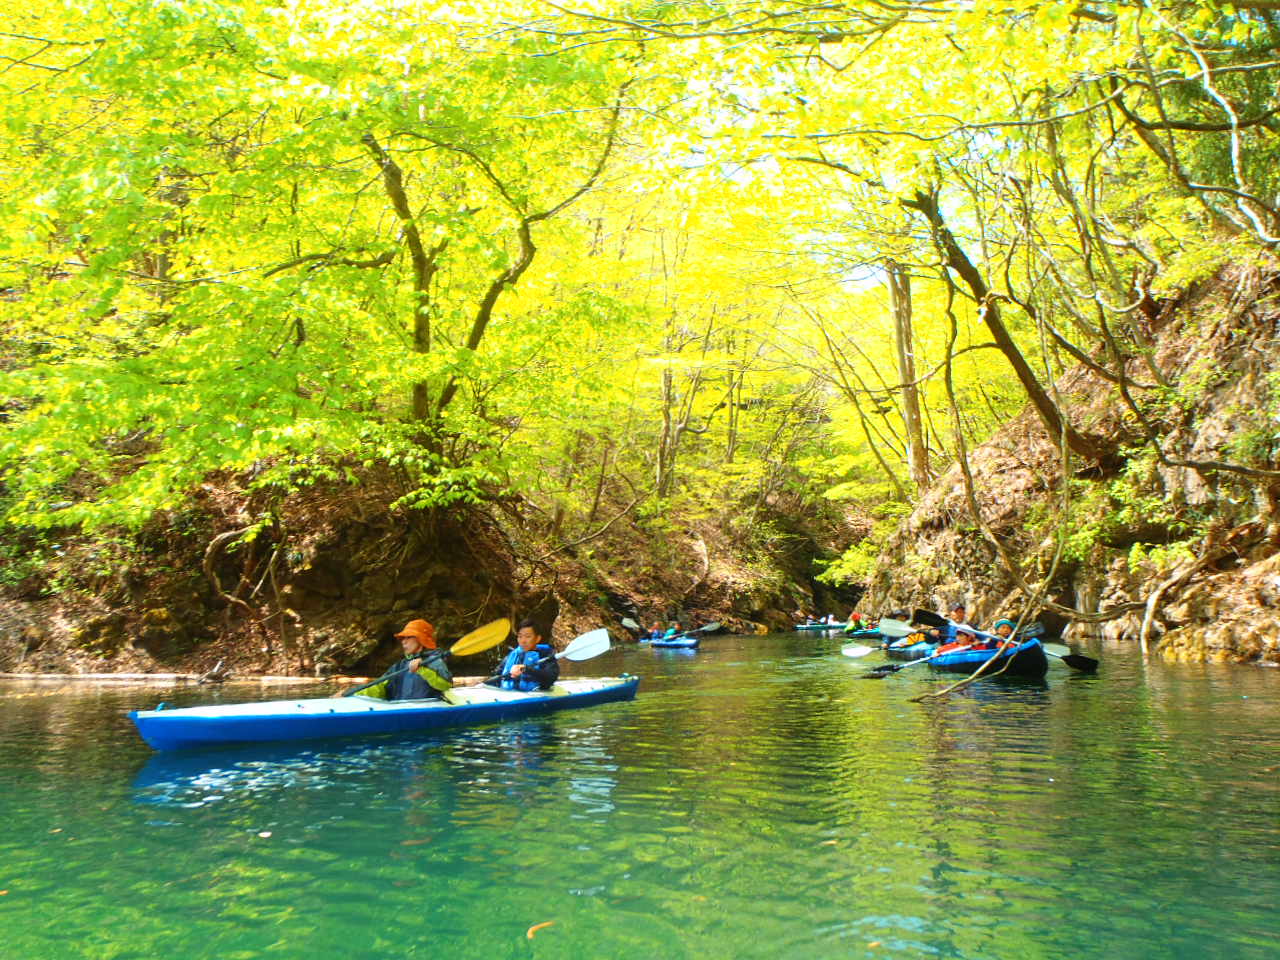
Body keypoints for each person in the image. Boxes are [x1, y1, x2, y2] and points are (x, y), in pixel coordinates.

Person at [359, 619, 453, 701]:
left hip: (426, 713)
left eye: (408, 637)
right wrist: (360, 693)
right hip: (403, 710)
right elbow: (381, 687)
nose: (403, 641)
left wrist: (422, 670)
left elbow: (446, 685)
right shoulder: (400, 665)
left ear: (421, 640)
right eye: (403, 638)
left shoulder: (434, 662)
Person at [489, 619, 559, 692]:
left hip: (535, 695)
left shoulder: (545, 655)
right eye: (520, 636)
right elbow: (496, 675)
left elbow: (551, 677)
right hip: (508, 695)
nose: (523, 641)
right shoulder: (513, 654)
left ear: (538, 638)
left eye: (528, 637)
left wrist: (526, 669)